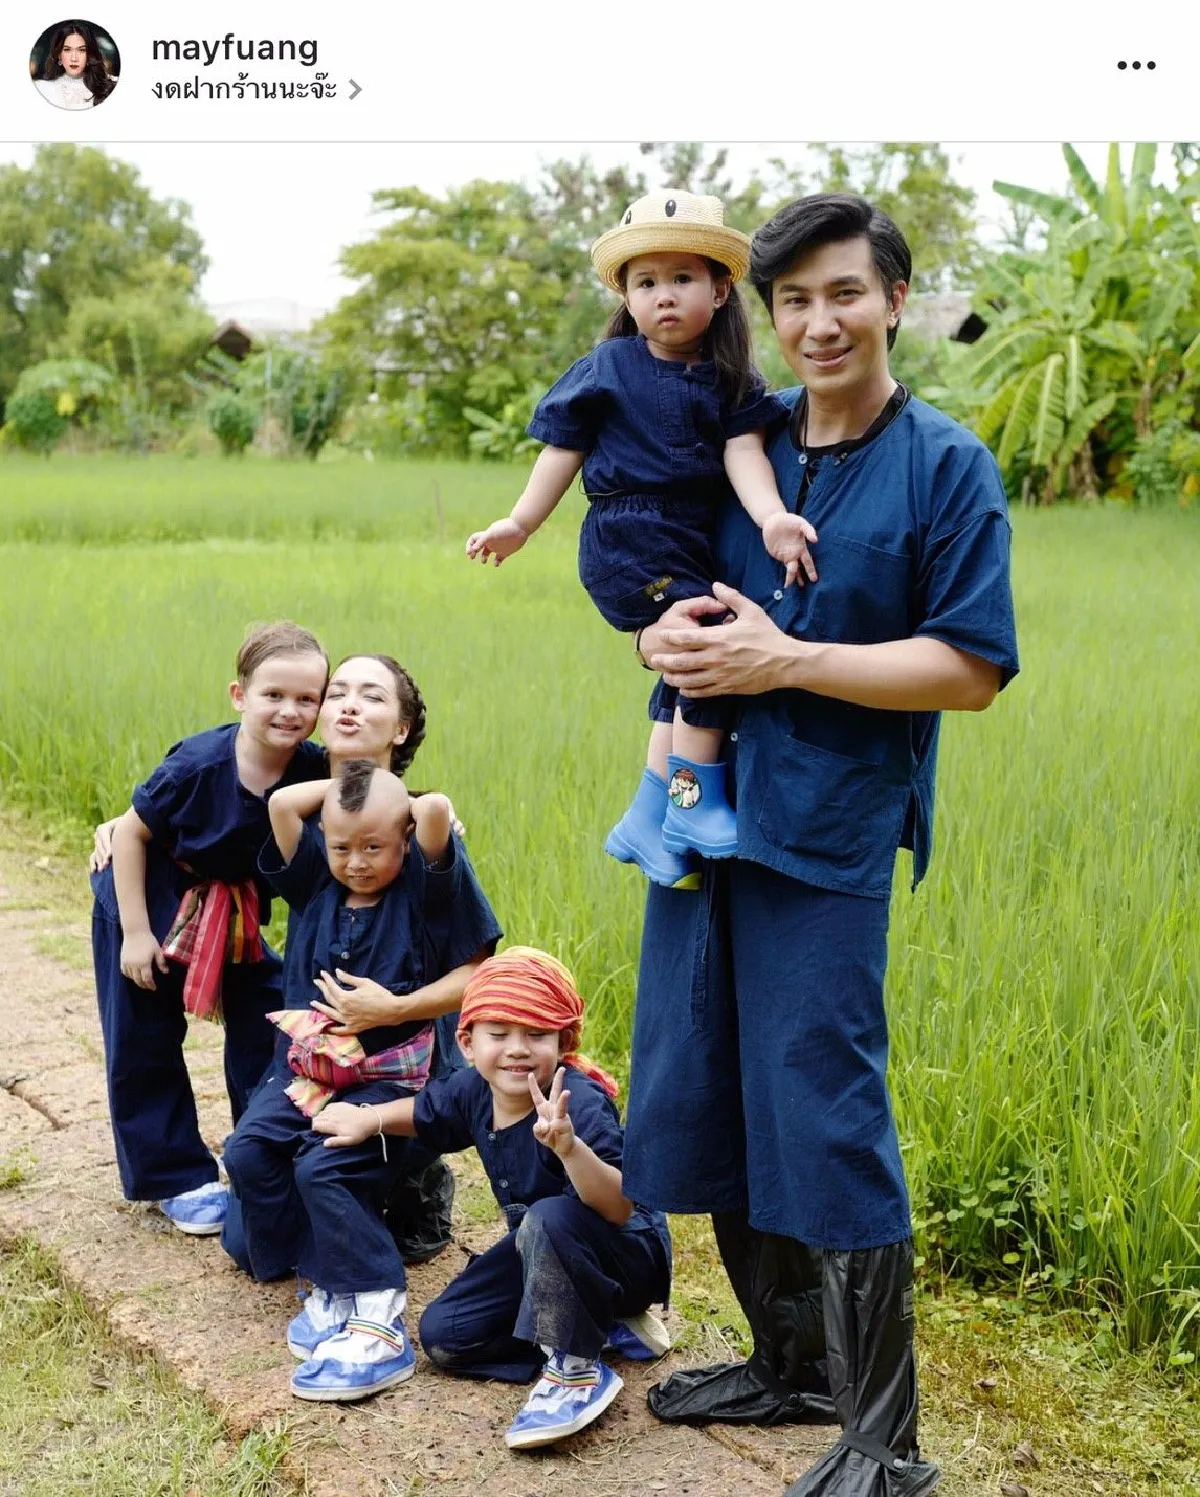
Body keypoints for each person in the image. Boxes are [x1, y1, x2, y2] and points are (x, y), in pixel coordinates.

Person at [621, 195, 1020, 1497]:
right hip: (702, 818)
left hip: (828, 838)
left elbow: (968, 666)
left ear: (894, 300)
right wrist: (657, 640)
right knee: (716, 1087)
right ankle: (789, 1363)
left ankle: (886, 1440)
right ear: (769, 313)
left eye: (844, 292)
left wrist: (788, 658)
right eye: (793, 300)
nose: (819, 320)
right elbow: (662, 585)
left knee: (826, 1110)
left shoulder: (941, 464)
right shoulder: (738, 439)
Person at [465, 190, 817, 891]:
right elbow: (562, 451)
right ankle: (693, 799)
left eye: (681, 279)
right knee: (711, 646)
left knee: (683, 668)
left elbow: (744, 456)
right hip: (628, 536)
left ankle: (648, 816)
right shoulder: (609, 368)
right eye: (645, 282)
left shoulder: (734, 380)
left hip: (684, 541)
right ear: (625, 296)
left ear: (719, 289)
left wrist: (773, 518)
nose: (663, 296)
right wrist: (521, 522)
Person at [314, 946, 673, 1449]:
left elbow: (619, 1208)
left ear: (564, 1039)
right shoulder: (475, 1090)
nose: (517, 1049)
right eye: (498, 1034)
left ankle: (575, 1369)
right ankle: (603, 1322)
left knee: (550, 1216)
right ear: (467, 1042)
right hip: (541, 1255)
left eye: (536, 1034)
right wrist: (368, 1118)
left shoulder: (581, 1104)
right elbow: (426, 1109)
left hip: (621, 1255)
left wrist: (569, 1148)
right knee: (446, 1334)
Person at [222, 758, 502, 1403]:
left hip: (386, 1080)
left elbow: (434, 819)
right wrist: (354, 794)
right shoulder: (318, 877)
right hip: (311, 1070)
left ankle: (375, 1301)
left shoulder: (423, 893)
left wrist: (403, 803)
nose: (356, 861)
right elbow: (284, 806)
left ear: (403, 838)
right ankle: (326, 1278)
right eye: (342, 845)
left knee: (324, 1165)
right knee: (249, 1151)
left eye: (375, 846)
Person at [90, 622, 329, 1234]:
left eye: (308, 699)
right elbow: (131, 836)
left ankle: (263, 1158)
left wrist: (435, 811)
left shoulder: (314, 768)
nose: (290, 710)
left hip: (235, 911)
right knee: (144, 1030)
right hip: (152, 893)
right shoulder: (199, 765)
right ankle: (175, 1175)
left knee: (269, 1017)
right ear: (239, 695)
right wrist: (138, 935)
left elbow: (375, 793)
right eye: (274, 694)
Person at [34, 21, 116, 109]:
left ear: (90, 54)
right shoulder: (43, 88)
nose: (74, 58)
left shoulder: (112, 84)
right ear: (59, 55)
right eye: (67, 50)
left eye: (81, 50)